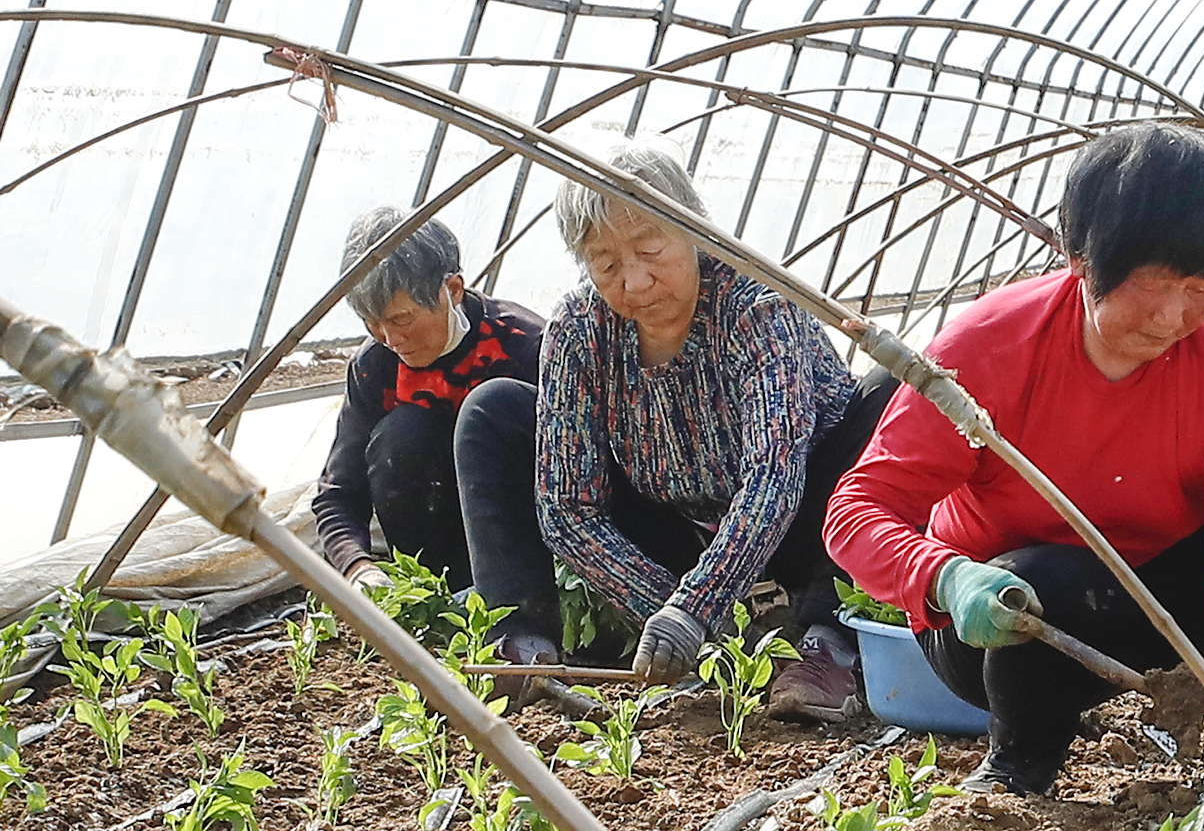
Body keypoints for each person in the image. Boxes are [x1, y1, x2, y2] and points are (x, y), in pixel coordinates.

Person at [824, 122, 1204, 799]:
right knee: (1042, 578)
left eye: (1201, 289)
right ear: (1081, 257)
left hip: (1152, 600)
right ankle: (1020, 766)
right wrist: (943, 577)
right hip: (1002, 623)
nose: (1173, 317)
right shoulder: (987, 350)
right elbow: (856, 512)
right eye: (1153, 282)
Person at [455, 136, 881, 718]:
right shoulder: (581, 332)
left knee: (886, 398)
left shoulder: (754, 305)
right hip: (682, 529)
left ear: (692, 228)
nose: (634, 283)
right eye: (606, 265)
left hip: (808, 519)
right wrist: (671, 611)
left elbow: (772, 477)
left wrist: (695, 607)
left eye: (651, 249)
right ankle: (523, 652)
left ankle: (829, 640)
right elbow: (566, 508)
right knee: (494, 411)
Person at [310, 208, 544, 596]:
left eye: (402, 319)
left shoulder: (523, 345)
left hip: (523, 539)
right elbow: (338, 493)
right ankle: (440, 595)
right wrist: (358, 567)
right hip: (435, 539)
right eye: (373, 322)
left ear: (452, 290)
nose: (389, 338)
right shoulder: (376, 367)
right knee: (403, 433)